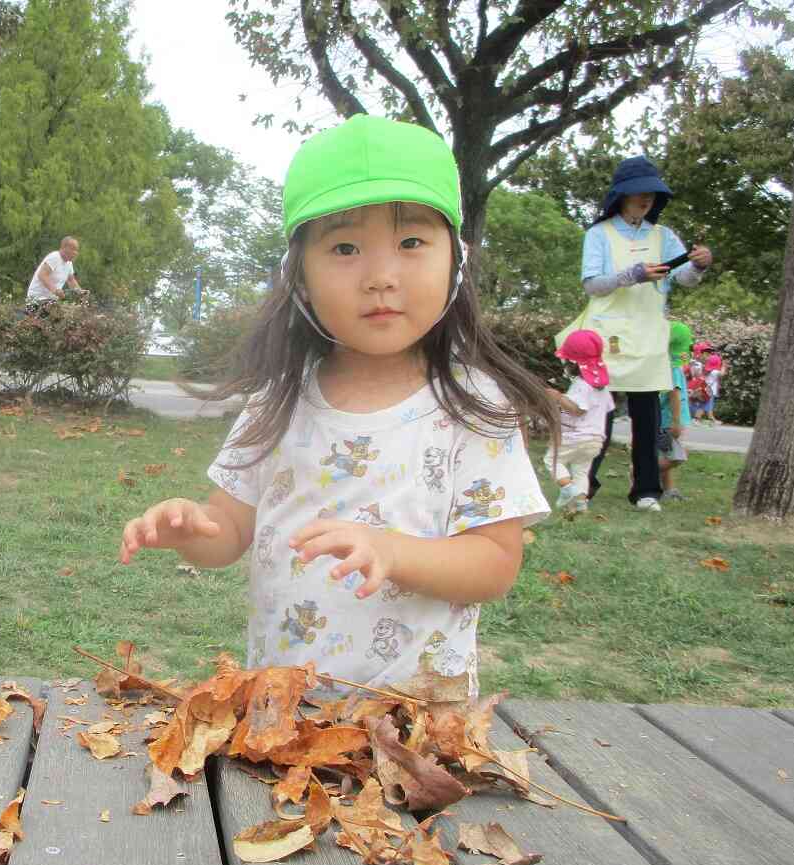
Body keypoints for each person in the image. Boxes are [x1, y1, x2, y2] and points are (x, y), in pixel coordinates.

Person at [117, 116, 555, 698]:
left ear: (457, 258)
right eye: (345, 248)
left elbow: (496, 564)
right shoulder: (280, 400)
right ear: (300, 276)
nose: (380, 277)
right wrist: (190, 527)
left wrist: (392, 551)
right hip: (282, 711)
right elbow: (228, 532)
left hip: (415, 722)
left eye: (411, 243)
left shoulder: (473, 406)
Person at [560, 157, 712, 512]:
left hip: (647, 334)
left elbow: (683, 277)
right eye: (637, 193)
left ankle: (646, 491)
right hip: (606, 336)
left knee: (647, 417)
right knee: (598, 414)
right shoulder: (599, 234)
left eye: (651, 194)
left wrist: (699, 265)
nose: (644, 200)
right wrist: (632, 275)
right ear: (621, 196)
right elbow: (592, 284)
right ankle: (585, 484)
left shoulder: (664, 236)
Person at [544, 330, 616, 518]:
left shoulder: (581, 386)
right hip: (595, 440)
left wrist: (558, 397)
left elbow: (577, 409)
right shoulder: (602, 389)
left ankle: (568, 489)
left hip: (575, 436)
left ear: (573, 363)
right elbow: (606, 409)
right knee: (581, 470)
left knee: (552, 460)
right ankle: (580, 504)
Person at [658, 322, 693, 500]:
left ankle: (669, 490)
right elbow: (675, 394)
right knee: (677, 457)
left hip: (663, 419)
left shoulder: (663, 364)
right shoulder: (674, 368)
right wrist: (676, 421)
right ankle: (642, 474)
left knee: (666, 452)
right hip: (669, 420)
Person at [25, 236, 85, 308]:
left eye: (76, 250)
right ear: (64, 247)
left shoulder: (69, 263)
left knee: (72, 311)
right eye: (73, 249)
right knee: (63, 313)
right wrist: (55, 290)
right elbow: (42, 275)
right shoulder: (54, 257)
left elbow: (71, 280)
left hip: (51, 301)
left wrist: (81, 292)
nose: (75, 253)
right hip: (37, 299)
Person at [701, 352, 725, 422]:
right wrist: (723, 366)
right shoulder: (715, 371)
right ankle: (707, 418)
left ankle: (709, 417)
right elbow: (722, 374)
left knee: (706, 404)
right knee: (708, 404)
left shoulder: (707, 371)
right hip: (710, 391)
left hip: (706, 390)